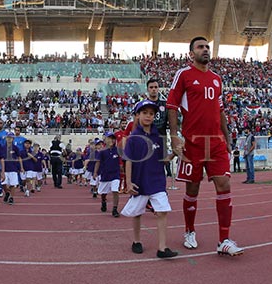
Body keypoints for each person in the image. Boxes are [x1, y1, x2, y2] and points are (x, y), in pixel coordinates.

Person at [167, 36, 244, 256]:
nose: (205, 50)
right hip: (193, 142)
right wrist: (174, 136)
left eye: (207, 47)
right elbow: (171, 104)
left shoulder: (217, 79)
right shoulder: (183, 74)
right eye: (200, 47)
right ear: (191, 53)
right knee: (192, 189)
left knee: (224, 185)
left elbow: (220, 110)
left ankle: (224, 240)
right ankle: (189, 230)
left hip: (217, 142)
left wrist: (227, 137)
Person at [121, 100, 177, 259]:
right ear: (137, 115)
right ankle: (136, 241)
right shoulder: (133, 138)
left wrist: (174, 153)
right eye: (144, 113)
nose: (148, 116)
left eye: (151, 113)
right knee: (137, 213)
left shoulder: (158, 137)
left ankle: (162, 247)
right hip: (140, 181)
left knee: (162, 211)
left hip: (157, 180)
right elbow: (128, 160)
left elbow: (163, 160)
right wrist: (129, 181)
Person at [94, 132, 121, 218]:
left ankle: (115, 209)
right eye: (109, 138)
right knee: (103, 193)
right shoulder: (102, 152)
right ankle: (103, 202)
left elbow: (123, 161)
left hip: (115, 174)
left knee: (115, 190)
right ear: (105, 139)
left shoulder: (118, 150)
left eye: (113, 138)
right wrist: (95, 172)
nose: (111, 140)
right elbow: (98, 162)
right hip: (105, 175)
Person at [2, 132, 23, 205]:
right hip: (5, 168)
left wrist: (21, 167)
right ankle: (7, 193)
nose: (9, 139)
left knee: (13, 184)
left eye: (10, 138)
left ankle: (11, 197)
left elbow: (19, 157)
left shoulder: (16, 148)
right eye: (8, 138)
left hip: (13, 168)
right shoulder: (3, 147)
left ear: (13, 139)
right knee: (3, 184)